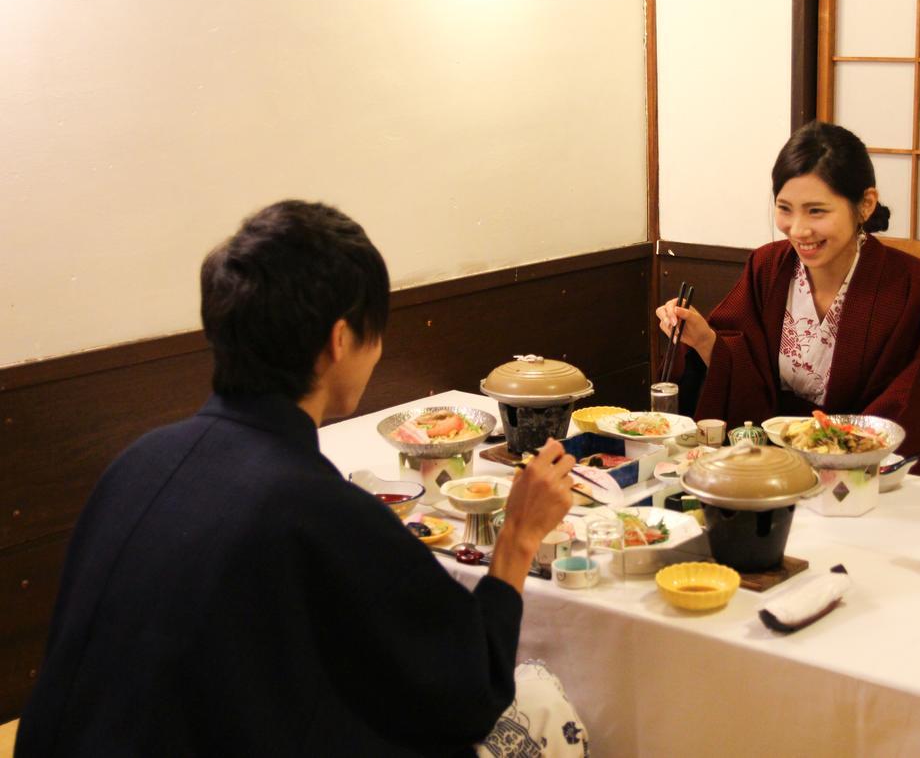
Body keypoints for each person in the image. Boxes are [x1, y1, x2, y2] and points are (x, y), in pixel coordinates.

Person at [17, 201, 584, 757]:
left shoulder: (136, 464)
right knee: (540, 704)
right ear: (339, 342)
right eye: (376, 331)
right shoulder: (317, 510)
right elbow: (468, 694)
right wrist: (516, 539)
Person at [656, 122, 920, 475]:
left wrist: (834, 450)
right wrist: (705, 340)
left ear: (864, 205)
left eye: (817, 211)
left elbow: (912, 400)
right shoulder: (767, 266)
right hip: (773, 470)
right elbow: (745, 371)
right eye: (785, 208)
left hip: (862, 473)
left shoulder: (907, 283)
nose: (798, 229)